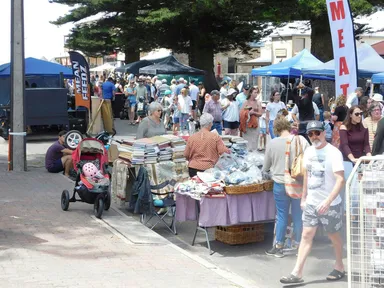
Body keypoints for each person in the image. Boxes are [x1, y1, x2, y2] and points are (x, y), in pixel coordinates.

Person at [280, 120, 345, 284]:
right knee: (306, 235)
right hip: (311, 203)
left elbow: (340, 180)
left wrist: (328, 201)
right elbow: (307, 176)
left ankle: (339, 265)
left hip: (330, 203)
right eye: (310, 134)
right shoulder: (308, 152)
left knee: (333, 235)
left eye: (317, 132)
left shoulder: (334, 153)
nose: (314, 136)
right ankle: (297, 272)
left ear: (324, 133)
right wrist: (303, 198)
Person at [263, 116, 309, 258]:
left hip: (280, 183)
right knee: (297, 215)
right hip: (298, 182)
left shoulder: (272, 143)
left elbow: (266, 167)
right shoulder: (300, 140)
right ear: (289, 127)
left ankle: (279, 246)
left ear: (276, 129)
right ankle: (298, 245)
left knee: (282, 216)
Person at [184, 113, 230, 177]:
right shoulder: (215, 137)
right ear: (211, 124)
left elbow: (186, 155)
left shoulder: (192, 137)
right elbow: (223, 151)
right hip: (208, 169)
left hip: (193, 169)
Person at [241, 86, 262, 151]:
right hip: (247, 124)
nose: (256, 94)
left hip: (255, 124)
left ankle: (253, 156)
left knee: (254, 142)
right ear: (251, 93)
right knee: (247, 142)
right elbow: (241, 113)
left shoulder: (258, 102)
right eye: (255, 92)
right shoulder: (245, 102)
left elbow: (260, 114)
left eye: (257, 93)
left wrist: (254, 113)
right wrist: (248, 113)